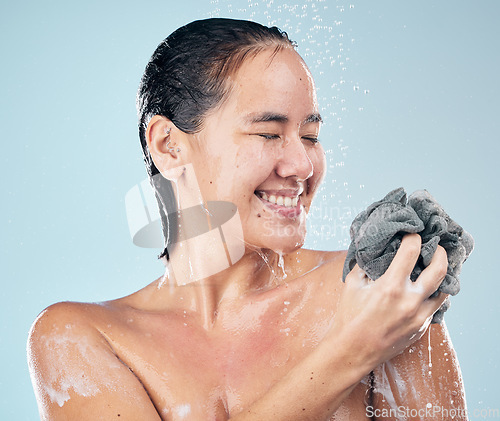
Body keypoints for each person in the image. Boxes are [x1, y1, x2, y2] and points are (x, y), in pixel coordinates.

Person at [27, 18, 466, 420]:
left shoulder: (382, 293)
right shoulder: (83, 339)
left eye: (311, 136)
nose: (302, 164)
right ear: (168, 145)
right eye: (269, 133)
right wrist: (351, 351)